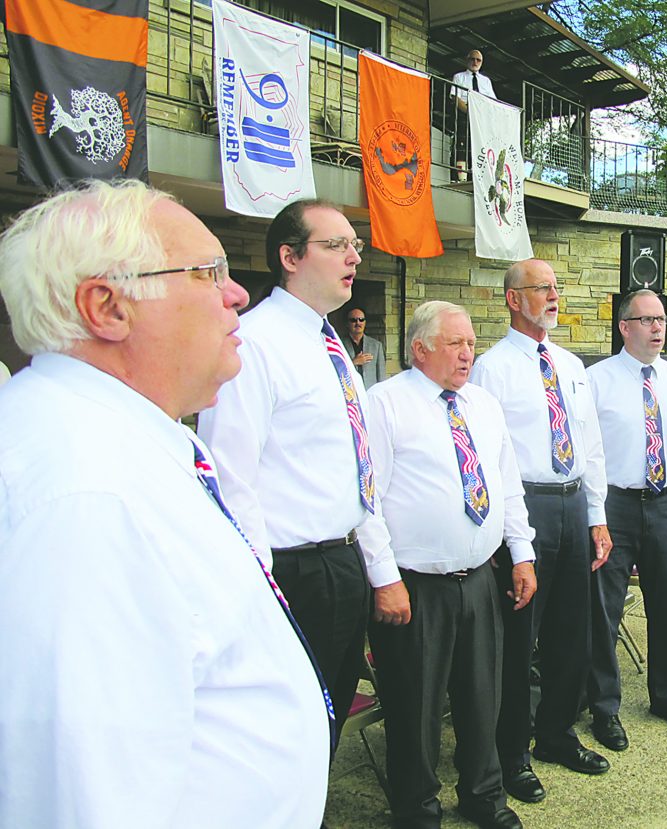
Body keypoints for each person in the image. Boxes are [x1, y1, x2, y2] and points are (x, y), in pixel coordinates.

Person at [0, 180, 330, 827]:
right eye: (208, 273)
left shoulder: (118, 436)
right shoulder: (84, 495)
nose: (238, 294)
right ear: (108, 308)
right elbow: (83, 800)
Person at [198, 198, 387, 744]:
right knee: (286, 733)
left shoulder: (329, 343)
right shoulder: (254, 343)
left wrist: (377, 565)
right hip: (292, 573)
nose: (354, 257)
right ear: (290, 257)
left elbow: (356, 461)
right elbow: (230, 478)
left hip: (343, 561)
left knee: (324, 731)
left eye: (355, 245)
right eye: (336, 245)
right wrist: (261, 593)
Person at [360, 300, 537, 829]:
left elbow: (507, 484)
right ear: (420, 349)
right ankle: (417, 810)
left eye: (471, 343)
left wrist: (522, 553)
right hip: (416, 587)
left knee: (483, 697)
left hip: (480, 578)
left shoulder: (482, 404)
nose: (468, 353)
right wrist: (384, 578)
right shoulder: (385, 404)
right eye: (456, 343)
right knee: (415, 708)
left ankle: (484, 796)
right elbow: (367, 501)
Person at [470, 258, 613, 803]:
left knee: (571, 632)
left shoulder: (571, 365)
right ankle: (511, 754)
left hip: (573, 503)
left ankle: (556, 734)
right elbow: (486, 456)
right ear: (513, 299)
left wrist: (597, 516)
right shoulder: (491, 369)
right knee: (518, 637)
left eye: (556, 287)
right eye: (542, 288)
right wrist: (508, 535)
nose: (554, 296)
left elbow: (590, 444)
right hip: (525, 506)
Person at [586, 289, 667, 752]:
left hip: (664, 504)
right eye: (646, 320)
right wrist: (594, 515)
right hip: (614, 507)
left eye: (661, 319)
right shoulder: (596, 381)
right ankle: (604, 708)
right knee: (604, 611)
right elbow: (587, 454)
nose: (657, 327)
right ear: (624, 327)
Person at [450, 49, 497, 177]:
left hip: (481, 118)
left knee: (479, 147)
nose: (475, 62)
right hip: (465, 114)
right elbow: (455, 97)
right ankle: (461, 178)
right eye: (472, 59)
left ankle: (476, 178)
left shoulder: (486, 81)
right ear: (467, 60)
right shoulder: (459, 77)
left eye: (478, 60)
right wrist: (470, 112)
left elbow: (492, 101)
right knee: (462, 146)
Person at [341, 306, 386, 391]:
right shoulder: (340, 345)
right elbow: (336, 371)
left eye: (361, 319)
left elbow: (381, 377)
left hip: (370, 393)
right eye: (353, 320)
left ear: (365, 322)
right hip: (349, 393)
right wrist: (353, 362)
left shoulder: (376, 346)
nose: (358, 323)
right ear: (347, 323)